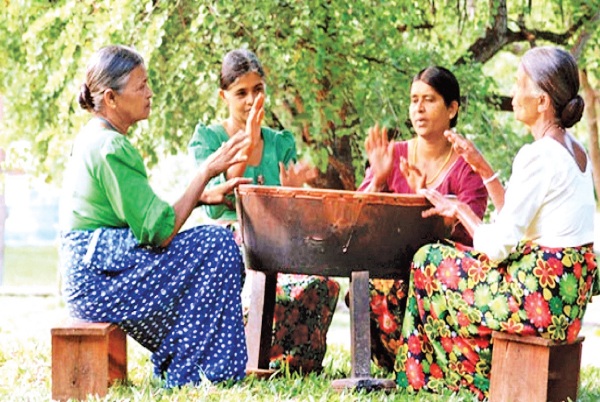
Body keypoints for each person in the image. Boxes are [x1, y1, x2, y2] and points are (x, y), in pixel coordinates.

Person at [395, 46, 597, 400]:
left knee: (428, 260)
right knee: (451, 260)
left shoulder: (538, 155)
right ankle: (466, 374)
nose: (514, 93)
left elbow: (497, 247)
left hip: (536, 299)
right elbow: (517, 224)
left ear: (542, 101)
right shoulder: (574, 149)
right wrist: (484, 169)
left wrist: (461, 211)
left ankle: (436, 379)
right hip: (561, 299)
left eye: (520, 85)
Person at [59, 45, 253, 388]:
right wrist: (206, 172)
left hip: (88, 273)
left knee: (210, 245)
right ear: (111, 98)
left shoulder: (94, 138)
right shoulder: (111, 147)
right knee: (219, 244)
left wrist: (199, 199)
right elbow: (159, 231)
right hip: (97, 280)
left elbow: (146, 214)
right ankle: (192, 369)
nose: (150, 93)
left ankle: (188, 361)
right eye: (140, 86)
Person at [188, 48, 340, 373]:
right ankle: (244, 358)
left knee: (321, 284)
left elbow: (293, 209)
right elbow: (220, 203)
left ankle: (293, 364)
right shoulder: (209, 138)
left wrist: (295, 191)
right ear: (223, 96)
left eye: (257, 90)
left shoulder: (279, 142)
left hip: (279, 240)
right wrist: (249, 138)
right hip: (230, 240)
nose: (250, 100)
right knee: (251, 286)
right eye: (241, 92)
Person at [357, 66, 488, 370]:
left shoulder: (467, 165)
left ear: (452, 108)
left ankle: (430, 363)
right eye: (414, 99)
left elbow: (472, 234)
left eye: (429, 99)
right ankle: (396, 362)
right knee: (375, 281)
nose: (418, 108)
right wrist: (377, 180)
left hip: (440, 279)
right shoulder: (395, 154)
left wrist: (426, 196)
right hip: (388, 270)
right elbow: (356, 216)